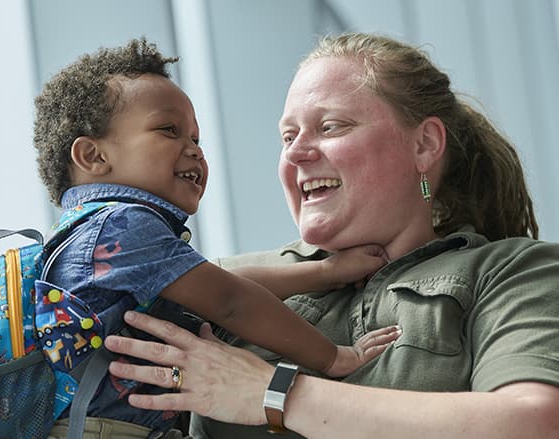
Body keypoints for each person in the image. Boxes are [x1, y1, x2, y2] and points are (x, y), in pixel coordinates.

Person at [104, 32, 559, 438]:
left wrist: (273, 393)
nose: (297, 153)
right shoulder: (221, 282)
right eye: (287, 137)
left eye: (330, 126)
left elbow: (534, 423)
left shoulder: (509, 271)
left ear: (424, 145)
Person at [32, 37, 400, 438]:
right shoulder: (121, 229)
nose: (194, 150)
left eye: (196, 138)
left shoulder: (94, 233)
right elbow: (231, 301)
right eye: (169, 131)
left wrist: (326, 272)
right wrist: (335, 358)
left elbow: (221, 286)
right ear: (93, 157)